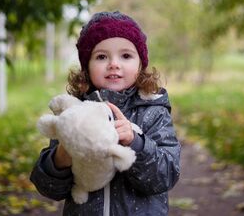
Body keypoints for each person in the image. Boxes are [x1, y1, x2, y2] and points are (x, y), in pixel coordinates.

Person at [30, 11, 181, 215]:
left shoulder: (153, 112)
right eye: (101, 56)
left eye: (126, 55)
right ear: (86, 67)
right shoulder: (75, 114)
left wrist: (137, 143)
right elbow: (48, 188)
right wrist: (61, 158)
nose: (114, 64)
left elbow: (166, 175)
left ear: (140, 64)